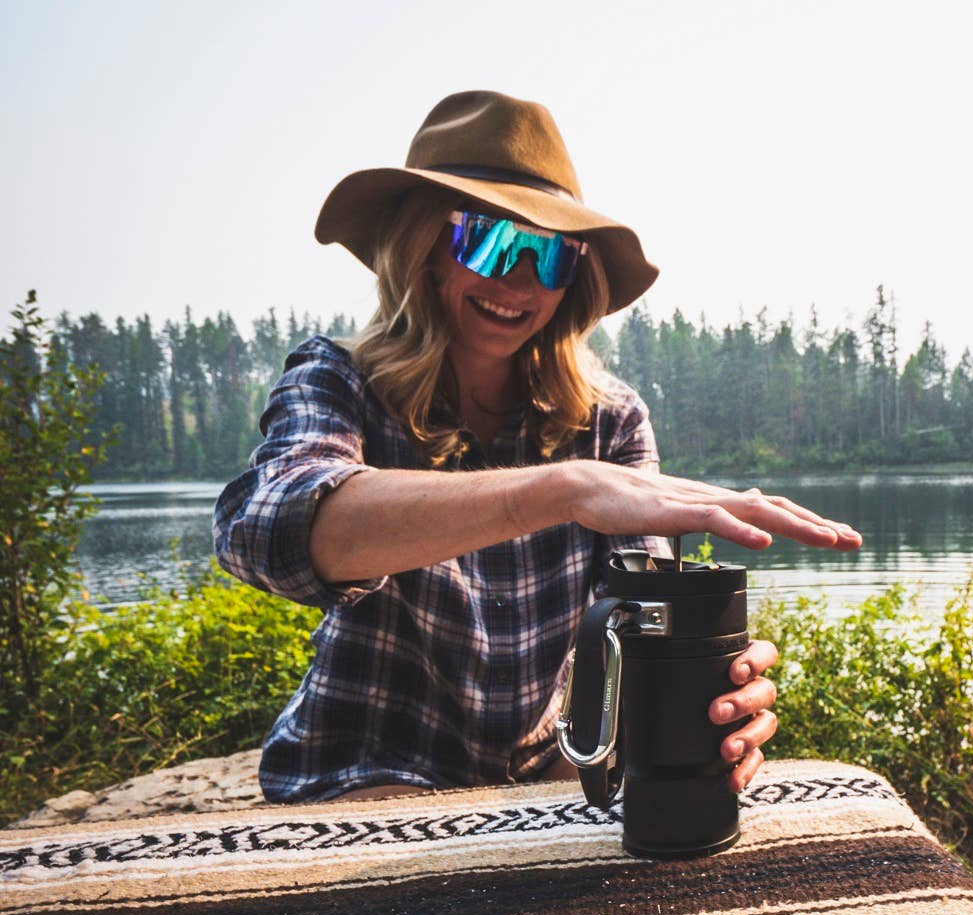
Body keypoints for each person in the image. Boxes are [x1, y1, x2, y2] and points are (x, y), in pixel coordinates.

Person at [214, 90, 860, 804]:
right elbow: (268, 532)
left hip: (541, 765)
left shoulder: (609, 422)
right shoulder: (339, 378)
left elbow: (644, 622)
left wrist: (715, 687)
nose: (519, 282)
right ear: (423, 249)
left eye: (550, 255)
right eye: (489, 242)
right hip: (360, 767)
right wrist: (562, 491)